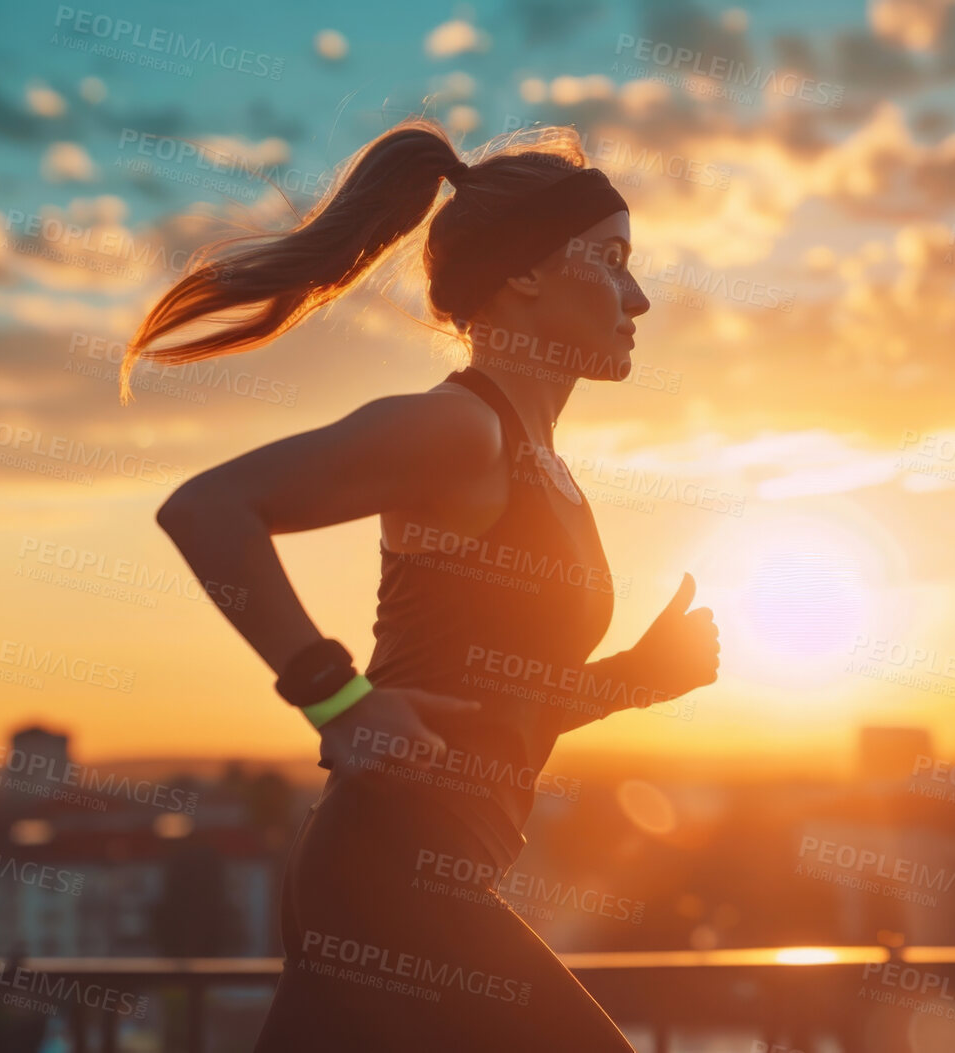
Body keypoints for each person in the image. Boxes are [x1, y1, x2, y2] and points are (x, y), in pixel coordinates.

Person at [134, 118, 721, 1051]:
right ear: (523, 273)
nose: (638, 296)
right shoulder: (461, 431)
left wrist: (640, 676)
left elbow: (489, 707)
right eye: (609, 260)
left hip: (420, 872)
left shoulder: (544, 467)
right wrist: (336, 698)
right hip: (391, 877)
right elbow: (208, 509)